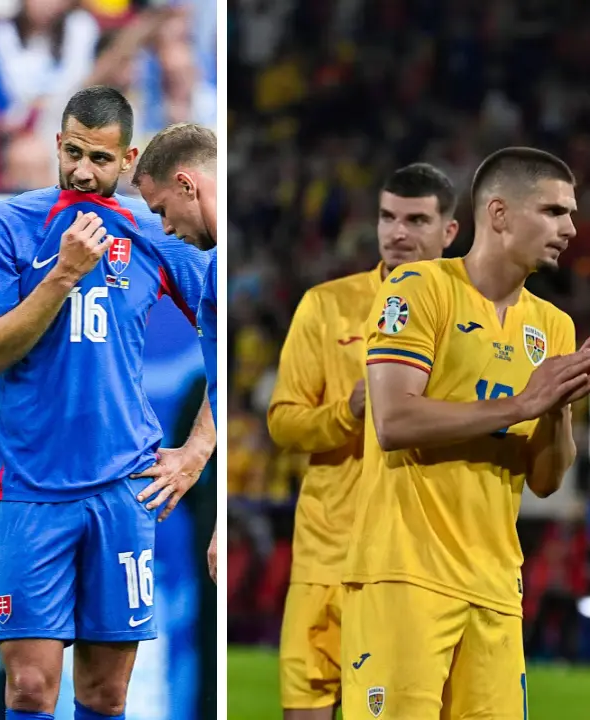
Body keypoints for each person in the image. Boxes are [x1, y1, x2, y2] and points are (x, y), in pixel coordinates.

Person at [340, 147, 590, 719]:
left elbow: (544, 479)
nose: (570, 228)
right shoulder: (419, 289)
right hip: (406, 575)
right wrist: (524, 402)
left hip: (495, 585)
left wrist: (557, 410)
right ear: (498, 214)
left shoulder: (553, 324)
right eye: (553, 211)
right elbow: (394, 422)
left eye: (570, 213)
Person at [0, 86, 215, 720]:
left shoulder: (152, 233)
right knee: (29, 687)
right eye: (72, 152)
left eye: (99, 159)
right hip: (31, 489)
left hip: (122, 491)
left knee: (105, 693)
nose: (82, 171)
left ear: (128, 159)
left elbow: (228, 335)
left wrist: (197, 451)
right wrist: (62, 274)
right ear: (57, 142)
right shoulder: (8, 225)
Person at [262, 163, 460, 719]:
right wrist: (346, 412)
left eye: (417, 219)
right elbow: (283, 422)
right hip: (329, 551)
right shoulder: (327, 305)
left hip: (419, 559)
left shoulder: (471, 315)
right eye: (387, 217)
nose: (398, 232)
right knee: (307, 707)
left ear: (450, 231)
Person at [130, 121, 220, 584]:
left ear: (187, 184)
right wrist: (196, 451)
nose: (164, 227)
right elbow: (226, 380)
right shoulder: (216, 273)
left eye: (163, 209)